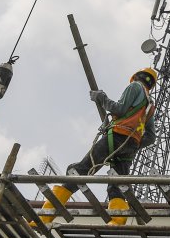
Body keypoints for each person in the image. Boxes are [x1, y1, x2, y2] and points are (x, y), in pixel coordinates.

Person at [39, 66, 159, 226]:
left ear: (136, 77)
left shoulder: (135, 86)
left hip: (116, 136)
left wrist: (101, 97)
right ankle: (117, 220)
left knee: (81, 170)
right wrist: (133, 143)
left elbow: (119, 109)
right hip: (129, 146)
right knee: (117, 183)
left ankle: (45, 216)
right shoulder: (150, 104)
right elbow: (150, 137)